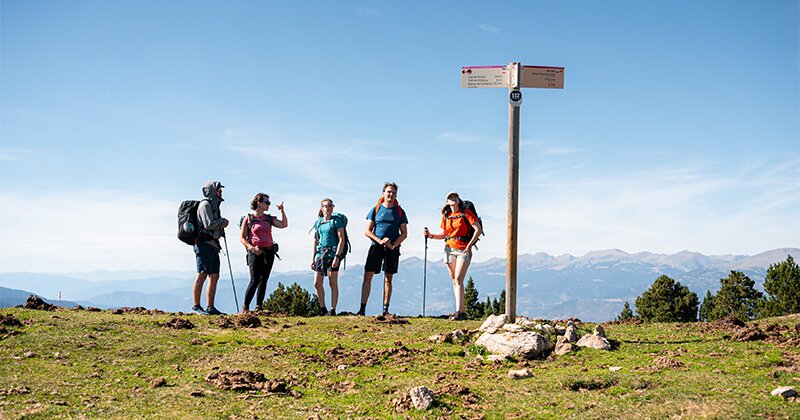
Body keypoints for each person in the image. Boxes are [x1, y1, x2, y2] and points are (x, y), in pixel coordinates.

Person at [424, 191, 482, 320]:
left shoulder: (466, 213)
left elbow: (478, 229)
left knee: (458, 279)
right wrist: (431, 236)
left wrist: (469, 246)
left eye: (455, 197)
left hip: (463, 250)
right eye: (450, 197)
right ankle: (460, 311)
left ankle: (459, 312)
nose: (453, 198)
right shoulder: (446, 216)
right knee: (454, 280)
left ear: (459, 199)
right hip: (449, 249)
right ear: (447, 202)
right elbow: (445, 234)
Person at [359, 182, 408, 316]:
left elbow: (404, 233)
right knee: (368, 275)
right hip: (376, 246)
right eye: (388, 192)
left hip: (392, 248)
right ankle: (362, 309)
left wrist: (393, 245)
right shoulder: (376, 209)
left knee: (388, 277)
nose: (390, 194)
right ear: (383, 193)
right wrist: (380, 241)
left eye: (393, 192)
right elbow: (367, 231)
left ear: (396, 195)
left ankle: (385, 310)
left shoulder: (400, 212)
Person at [239, 193, 288, 312]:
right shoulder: (249, 218)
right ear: (258, 203)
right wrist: (252, 248)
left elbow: (283, 224)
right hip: (255, 252)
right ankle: (245, 307)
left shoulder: (268, 218)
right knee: (255, 279)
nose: (268, 205)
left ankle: (258, 307)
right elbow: (242, 238)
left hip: (269, 252)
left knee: (264, 279)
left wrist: (282, 211)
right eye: (267, 202)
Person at [192, 180, 229, 315]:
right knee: (202, 274)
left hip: (212, 245)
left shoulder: (214, 205)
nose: (221, 192)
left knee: (214, 275)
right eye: (219, 190)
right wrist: (223, 222)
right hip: (203, 244)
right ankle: (196, 306)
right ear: (212, 191)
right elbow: (208, 224)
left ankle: (210, 307)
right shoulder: (205, 205)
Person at [310, 198, 346, 316]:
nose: (328, 208)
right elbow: (315, 240)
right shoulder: (318, 222)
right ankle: (322, 308)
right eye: (326, 206)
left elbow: (342, 239)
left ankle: (333, 309)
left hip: (332, 254)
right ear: (321, 208)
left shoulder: (336, 222)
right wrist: (312, 258)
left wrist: (337, 256)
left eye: (331, 206)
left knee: (332, 283)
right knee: (317, 283)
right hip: (321, 255)